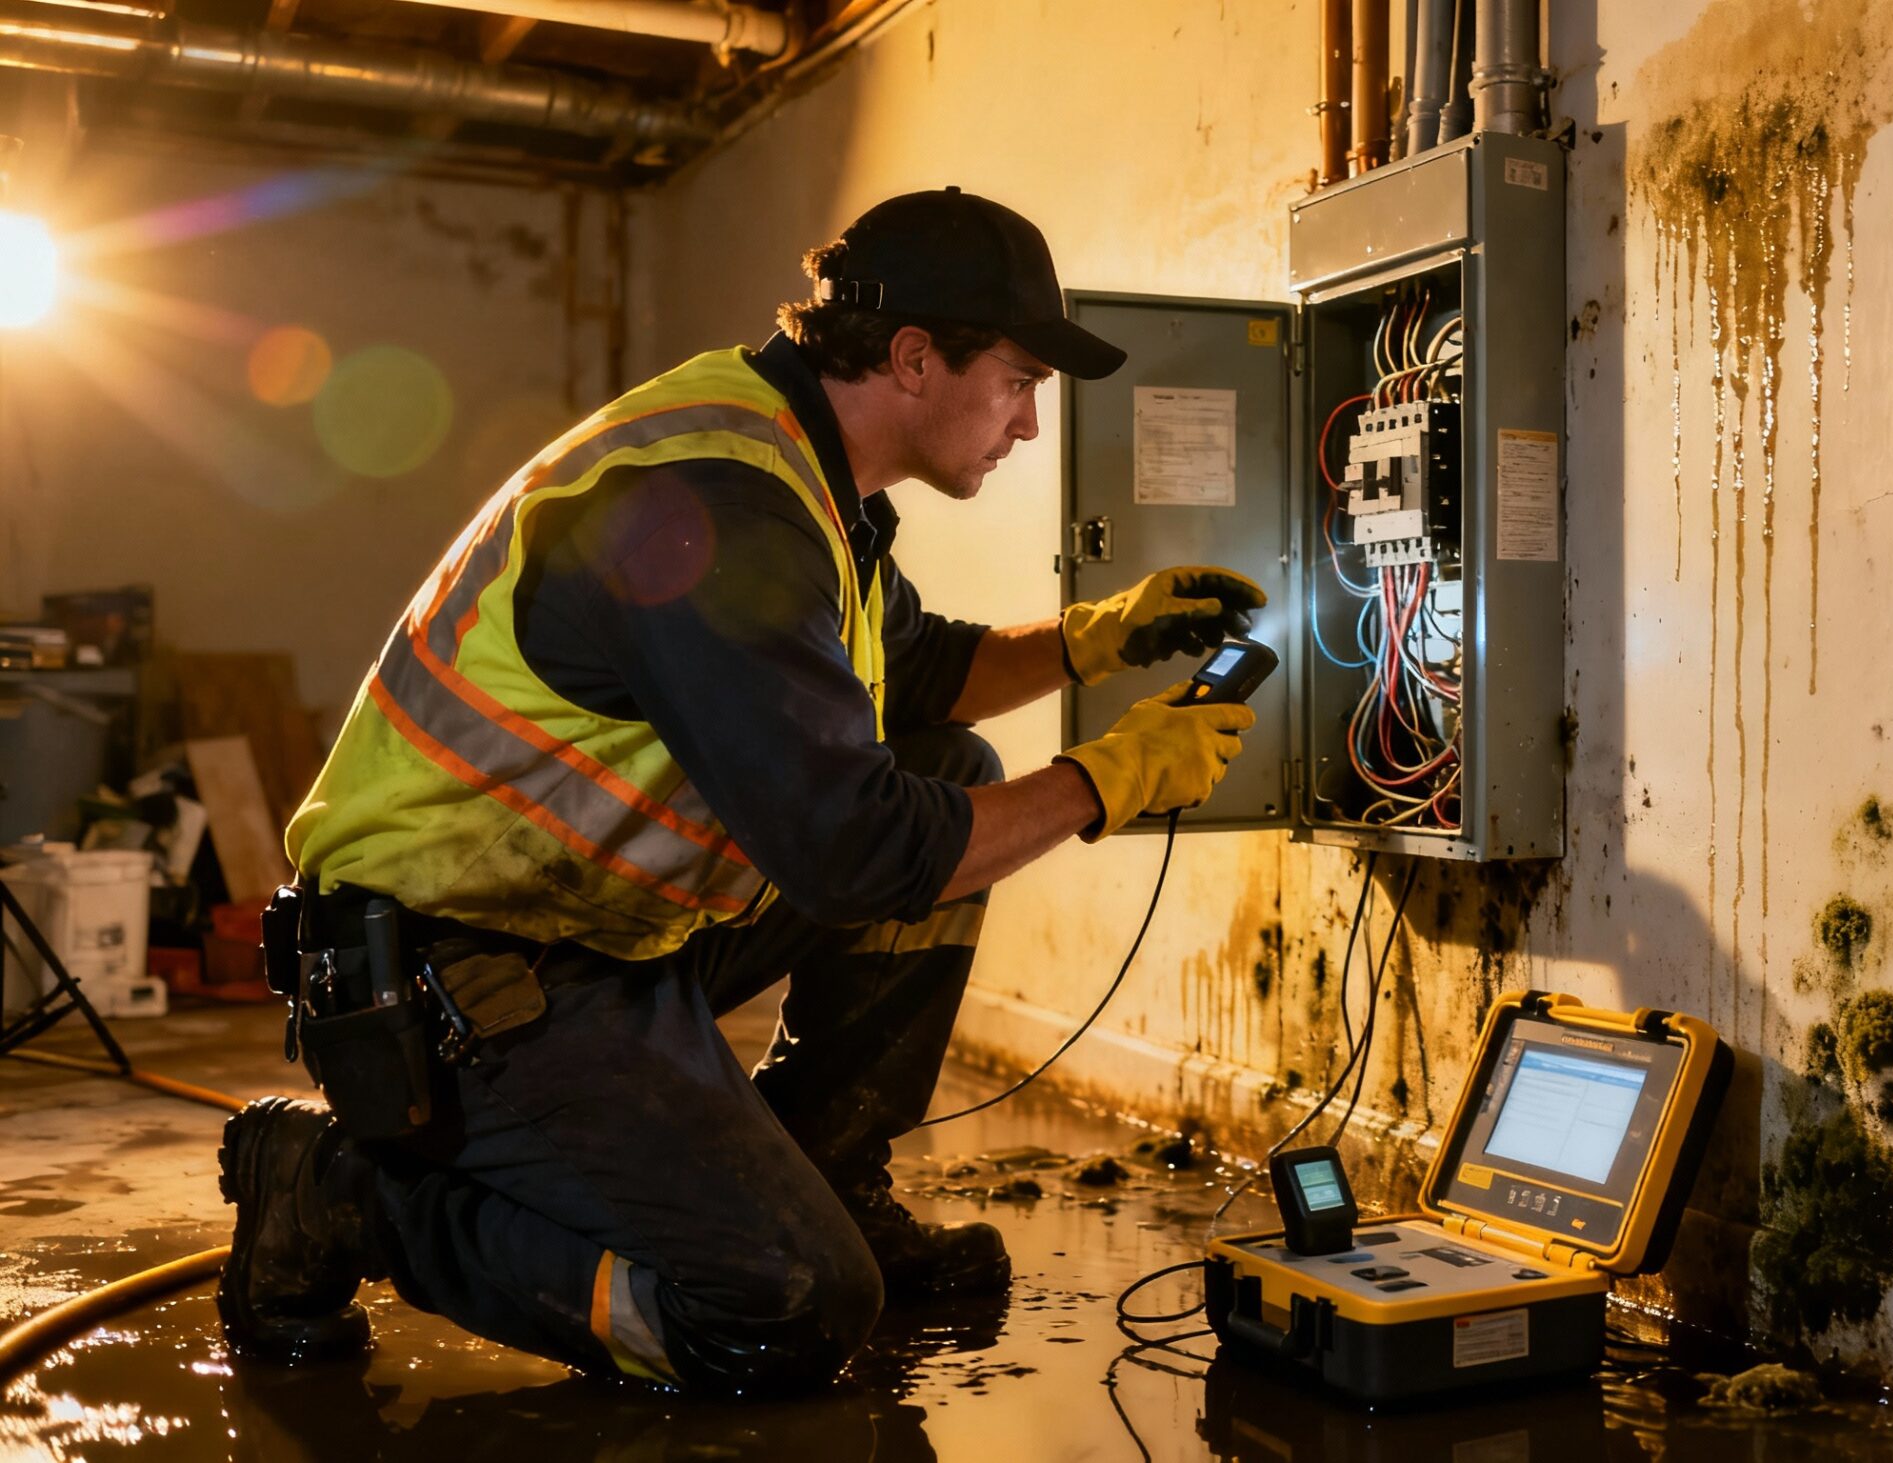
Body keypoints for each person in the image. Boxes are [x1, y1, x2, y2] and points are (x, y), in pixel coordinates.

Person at [216, 187, 1265, 1394]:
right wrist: (1105, 778)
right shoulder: (723, 506)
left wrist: (1094, 638)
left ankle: (830, 1168)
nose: (1029, 424)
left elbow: (914, 673)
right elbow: (856, 853)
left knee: (946, 766)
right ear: (914, 358)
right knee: (783, 1311)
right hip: (454, 979)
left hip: (587, 938)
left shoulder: (801, 471)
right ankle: (340, 1194)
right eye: (1019, 380)